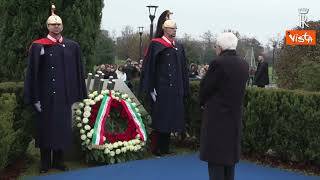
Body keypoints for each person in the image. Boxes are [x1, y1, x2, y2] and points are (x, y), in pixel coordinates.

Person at [24, 4, 87, 173]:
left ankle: (59, 161)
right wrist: (35, 98)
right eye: (53, 24)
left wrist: (77, 94)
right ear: (47, 26)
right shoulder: (38, 46)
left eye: (58, 24)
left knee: (61, 130)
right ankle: (45, 163)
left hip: (64, 96)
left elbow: (78, 70)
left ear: (62, 26)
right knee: (45, 129)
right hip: (45, 96)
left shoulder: (72, 46)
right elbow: (32, 73)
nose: (56, 26)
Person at [199, 32, 249, 180]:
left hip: (217, 118)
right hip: (234, 117)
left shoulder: (218, 63)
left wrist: (202, 102)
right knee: (229, 162)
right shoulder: (243, 64)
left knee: (216, 163)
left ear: (220, 47)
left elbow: (206, 88)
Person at [141, 19, 189, 156]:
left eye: (175, 28)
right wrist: (151, 87)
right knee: (162, 119)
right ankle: (158, 147)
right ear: (165, 29)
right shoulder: (156, 44)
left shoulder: (178, 46)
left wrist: (184, 88)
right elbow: (150, 67)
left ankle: (166, 147)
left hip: (175, 89)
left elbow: (183, 69)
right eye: (172, 28)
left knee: (172, 118)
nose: (174, 31)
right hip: (161, 88)